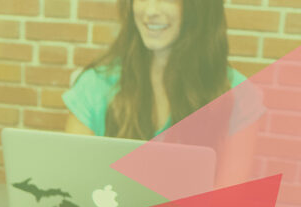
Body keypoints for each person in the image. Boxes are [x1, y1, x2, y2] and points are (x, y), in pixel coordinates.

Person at [62, 0, 260, 187]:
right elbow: (73, 186)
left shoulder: (238, 95)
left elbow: (226, 202)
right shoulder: (95, 85)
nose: (150, 11)